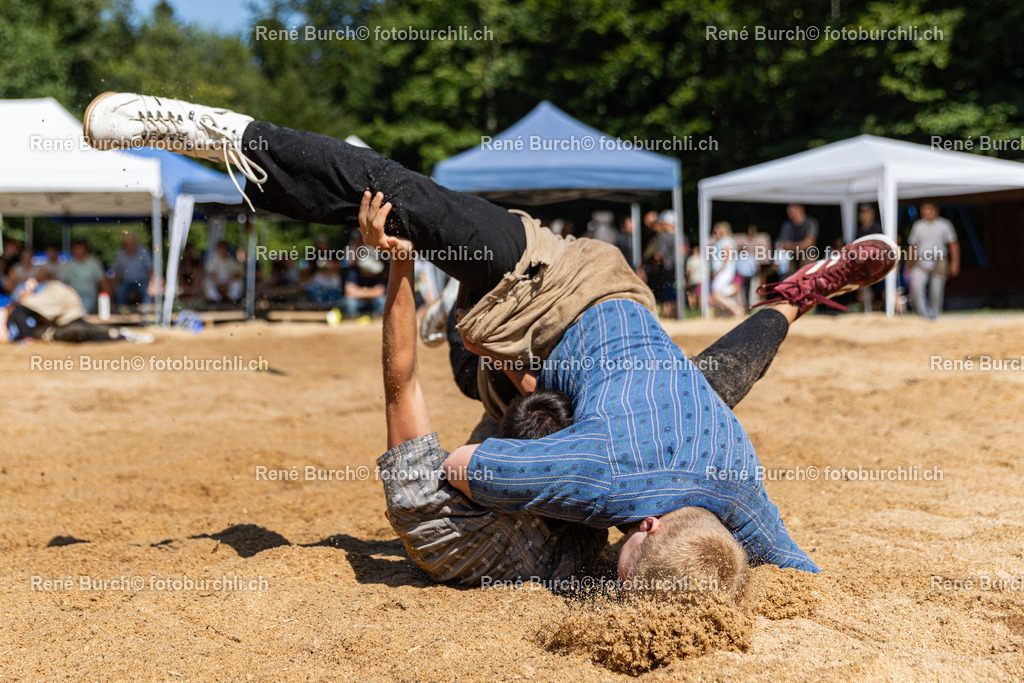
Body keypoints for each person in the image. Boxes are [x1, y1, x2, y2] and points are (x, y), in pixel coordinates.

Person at [83, 91, 898, 593]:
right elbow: (464, 466)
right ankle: (203, 128)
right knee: (396, 197)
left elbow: (796, 566)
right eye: (623, 554)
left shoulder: (740, 488)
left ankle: (796, 297)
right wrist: (555, 497)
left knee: (711, 384)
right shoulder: (602, 476)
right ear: (642, 526)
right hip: (537, 291)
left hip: (628, 312)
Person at [0, 279, 152, 344]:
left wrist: (27, 338)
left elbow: (19, 311)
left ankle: (120, 334)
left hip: (66, 320)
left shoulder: (42, 294)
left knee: (80, 330)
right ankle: (120, 334)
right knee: (82, 330)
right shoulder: (46, 293)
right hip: (65, 321)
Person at [908, 202, 960, 319]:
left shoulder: (944, 225)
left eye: (929, 209)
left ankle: (935, 315)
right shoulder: (918, 226)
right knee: (917, 287)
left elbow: (953, 244)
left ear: (936, 211)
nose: (926, 212)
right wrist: (909, 262)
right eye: (924, 209)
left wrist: (955, 263)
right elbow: (913, 245)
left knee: (936, 290)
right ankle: (923, 315)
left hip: (939, 259)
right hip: (921, 259)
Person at [59, 238, 105, 314]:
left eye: (80, 248)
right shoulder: (68, 266)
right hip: (73, 298)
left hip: (89, 297)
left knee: (81, 311)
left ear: (85, 250)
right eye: (76, 249)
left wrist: (109, 300)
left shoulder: (93, 264)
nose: (78, 251)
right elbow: (61, 284)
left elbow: (103, 282)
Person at [709, 221, 744, 317]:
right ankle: (735, 307)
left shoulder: (726, 241)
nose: (715, 231)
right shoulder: (722, 241)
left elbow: (726, 255)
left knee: (716, 293)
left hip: (724, 270)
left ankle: (737, 309)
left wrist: (719, 270)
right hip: (724, 270)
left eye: (718, 229)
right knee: (717, 293)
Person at [112, 232, 153, 310]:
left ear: (136, 242)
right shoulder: (120, 254)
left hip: (142, 280)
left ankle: (146, 310)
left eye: (131, 242)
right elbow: (117, 271)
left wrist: (151, 283)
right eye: (127, 243)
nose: (130, 245)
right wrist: (114, 286)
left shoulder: (143, 252)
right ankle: (122, 311)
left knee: (147, 291)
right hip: (126, 281)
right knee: (120, 291)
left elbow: (149, 269)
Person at [777, 204, 819, 272]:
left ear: (801, 209)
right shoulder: (787, 225)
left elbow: (808, 243)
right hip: (792, 257)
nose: (790, 213)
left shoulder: (810, 223)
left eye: (792, 211)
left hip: (807, 255)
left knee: (809, 265)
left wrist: (790, 246)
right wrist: (798, 247)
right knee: (785, 262)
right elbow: (781, 243)